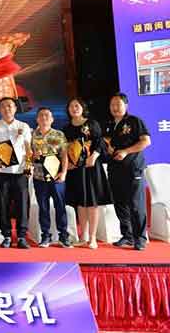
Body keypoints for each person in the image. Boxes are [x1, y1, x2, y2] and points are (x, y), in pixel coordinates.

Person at [63, 98, 112, 250]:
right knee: (80, 202)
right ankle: (83, 236)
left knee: (92, 202)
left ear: (83, 108)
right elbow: (65, 150)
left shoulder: (91, 124)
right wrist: (68, 164)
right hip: (75, 170)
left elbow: (100, 142)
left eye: (77, 105)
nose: (74, 108)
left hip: (91, 168)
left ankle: (92, 238)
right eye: (71, 106)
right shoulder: (66, 128)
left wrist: (94, 156)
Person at [105, 93, 151, 251]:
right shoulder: (109, 125)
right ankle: (127, 235)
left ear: (126, 105)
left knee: (136, 204)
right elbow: (107, 144)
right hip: (114, 170)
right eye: (112, 105)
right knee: (120, 204)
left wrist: (125, 151)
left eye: (118, 104)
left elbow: (146, 141)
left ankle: (140, 238)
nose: (115, 108)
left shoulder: (134, 121)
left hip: (133, 169)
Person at [0, 97, 32, 249]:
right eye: (3, 106)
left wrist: (29, 165)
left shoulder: (23, 126)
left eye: (10, 106)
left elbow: (28, 148)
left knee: (22, 205)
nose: (7, 109)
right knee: (3, 204)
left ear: (15, 109)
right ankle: (6, 235)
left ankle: (21, 236)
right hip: (2, 172)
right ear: (0, 109)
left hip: (20, 171)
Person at [31, 107, 72, 248]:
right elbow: (28, 156)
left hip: (56, 177)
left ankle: (63, 236)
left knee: (60, 206)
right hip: (39, 177)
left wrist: (64, 172)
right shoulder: (32, 135)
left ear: (52, 119)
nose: (44, 118)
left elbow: (64, 155)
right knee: (43, 208)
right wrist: (33, 156)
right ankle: (45, 236)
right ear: (37, 119)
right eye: (41, 115)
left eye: (47, 115)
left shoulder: (58, 135)